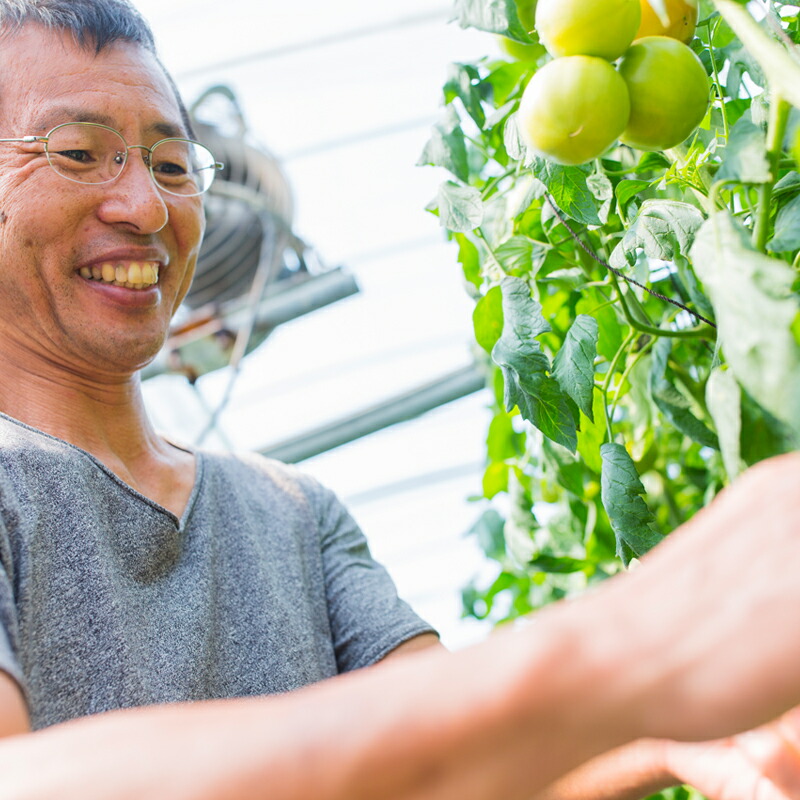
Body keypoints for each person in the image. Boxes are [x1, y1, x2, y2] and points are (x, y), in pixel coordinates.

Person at [0, 2, 799, 799]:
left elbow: (464, 766)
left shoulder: (291, 511)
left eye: (172, 166)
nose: (146, 208)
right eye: (78, 152)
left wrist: (679, 744)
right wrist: (631, 644)